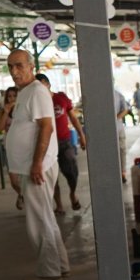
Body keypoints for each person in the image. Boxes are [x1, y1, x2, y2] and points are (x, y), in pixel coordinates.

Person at [5, 49, 68, 280]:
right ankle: (60, 266)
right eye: (10, 66)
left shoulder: (37, 92)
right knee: (45, 217)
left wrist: (36, 163)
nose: (14, 71)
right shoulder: (25, 93)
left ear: (31, 66)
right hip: (32, 166)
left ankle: (49, 271)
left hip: (37, 167)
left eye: (19, 65)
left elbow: (46, 128)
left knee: (38, 221)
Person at [37, 73, 87, 213]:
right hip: (46, 144)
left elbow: (73, 118)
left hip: (64, 141)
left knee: (72, 171)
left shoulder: (61, 98)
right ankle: (58, 204)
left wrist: (81, 135)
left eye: (43, 86)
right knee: (52, 177)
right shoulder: (37, 104)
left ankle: (72, 193)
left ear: (48, 84)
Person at [114, 89, 130, 182]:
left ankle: (122, 173)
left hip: (118, 127)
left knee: (121, 149)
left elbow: (125, 110)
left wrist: (116, 117)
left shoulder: (118, 94)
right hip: (107, 129)